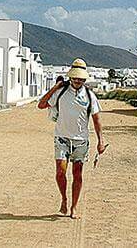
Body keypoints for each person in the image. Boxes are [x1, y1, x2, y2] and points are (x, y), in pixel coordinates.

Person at [37, 58, 104, 218]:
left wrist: (101, 141)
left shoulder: (90, 96)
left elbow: (96, 119)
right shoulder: (60, 93)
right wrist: (55, 87)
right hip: (62, 138)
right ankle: (64, 200)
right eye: (75, 78)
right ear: (70, 77)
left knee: (77, 174)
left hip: (81, 141)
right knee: (60, 172)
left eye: (81, 79)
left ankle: (74, 207)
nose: (78, 81)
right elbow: (41, 104)